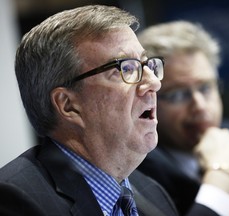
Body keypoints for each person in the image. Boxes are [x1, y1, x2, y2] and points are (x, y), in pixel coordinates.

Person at [1, 5, 181, 216]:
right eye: (126, 68)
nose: (154, 83)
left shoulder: (154, 194)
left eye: (147, 64)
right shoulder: (15, 202)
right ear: (68, 105)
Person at [137, 20, 229, 216]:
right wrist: (222, 175)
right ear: (149, 100)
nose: (199, 106)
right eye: (177, 95)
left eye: (205, 88)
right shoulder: (142, 173)